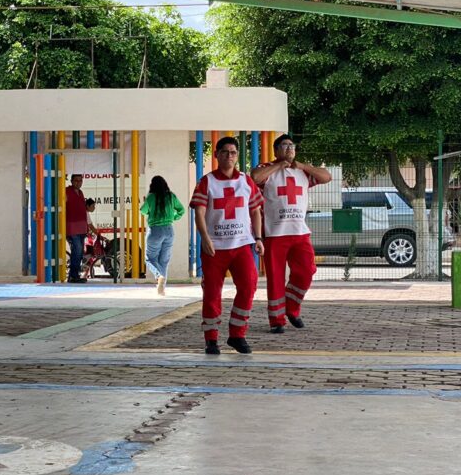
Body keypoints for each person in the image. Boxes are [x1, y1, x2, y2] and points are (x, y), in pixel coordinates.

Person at [191, 136, 264, 355]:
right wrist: (205, 238)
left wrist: (259, 238)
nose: (229, 156)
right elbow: (200, 212)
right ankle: (211, 339)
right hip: (215, 248)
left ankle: (237, 334)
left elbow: (255, 210)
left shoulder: (246, 181)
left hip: (242, 245)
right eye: (224, 152)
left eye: (233, 152)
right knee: (212, 293)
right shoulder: (207, 181)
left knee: (249, 285)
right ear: (216, 155)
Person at [251, 133, 331, 332]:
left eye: (292, 146)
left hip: (300, 232)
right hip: (275, 233)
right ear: (276, 150)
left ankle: (292, 307)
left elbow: (326, 176)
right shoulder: (266, 169)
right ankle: (277, 320)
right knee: (275, 277)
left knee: (307, 271)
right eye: (284, 145)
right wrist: (280, 165)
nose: (289, 149)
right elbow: (255, 178)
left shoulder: (302, 172)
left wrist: (302, 166)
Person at [140, 176, 186, 295]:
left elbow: (142, 210)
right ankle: (162, 288)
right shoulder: (171, 196)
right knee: (164, 261)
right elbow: (181, 210)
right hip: (169, 230)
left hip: (155, 231)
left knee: (150, 258)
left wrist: (146, 203)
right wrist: (173, 217)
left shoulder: (151, 197)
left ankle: (159, 276)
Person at [65, 174, 88, 283]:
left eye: (80, 180)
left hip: (82, 228)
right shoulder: (67, 191)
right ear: (71, 181)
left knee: (79, 252)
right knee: (77, 250)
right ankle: (73, 276)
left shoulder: (81, 193)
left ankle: (75, 275)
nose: (78, 183)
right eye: (76, 180)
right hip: (71, 227)